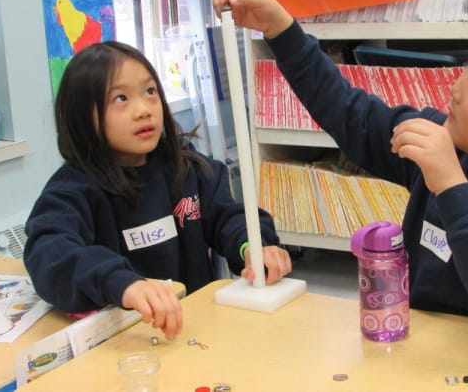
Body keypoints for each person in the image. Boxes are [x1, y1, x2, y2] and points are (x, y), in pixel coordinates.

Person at [213, 0, 468, 338]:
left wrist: (451, 184)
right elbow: (346, 110)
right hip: (428, 359)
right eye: (467, 67)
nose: (457, 87)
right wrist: (281, 29)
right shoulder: (438, 139)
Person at [24, 40, 292, 339]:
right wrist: (122, 283)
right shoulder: (73, 189)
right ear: (85, 116)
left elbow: (229, 216)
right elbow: (49, 253)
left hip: (194, 331)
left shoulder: (185, 165)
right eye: (121, 98)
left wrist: (253, 246)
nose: (143, 110)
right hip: (124, 344)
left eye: (150, 92)